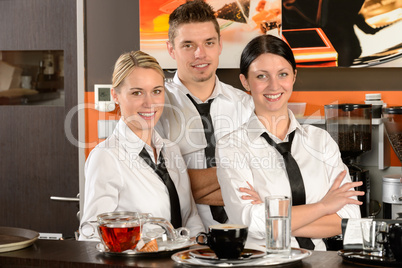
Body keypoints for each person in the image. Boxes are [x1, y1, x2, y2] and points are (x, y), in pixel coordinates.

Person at [215, 35, 363, 250]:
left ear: (293, 76)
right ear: (245, 81)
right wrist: (324, 206)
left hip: (319, 263)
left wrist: (271, 219)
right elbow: (250, 223)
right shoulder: (232, 146)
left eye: (282, 74)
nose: (274, 85)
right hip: (263, 263)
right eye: (261, 76)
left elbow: (348, 220)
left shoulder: (320, 141)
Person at [79, 50, 204, 238]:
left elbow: (190, 217)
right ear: (115, 95)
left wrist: (198, 249)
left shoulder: (171, 150)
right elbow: (91, 236)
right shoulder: (106, 156)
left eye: (156, 91)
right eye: (137, 93)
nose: (149, 103)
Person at [156, 0, 254, 229]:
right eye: (188, 45)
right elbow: (156, 185)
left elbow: (269, 180)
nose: (200, 54)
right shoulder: (155, 108)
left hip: (248, 240)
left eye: (208, 42)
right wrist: (238, 175)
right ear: (171, 49)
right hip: (181, 242)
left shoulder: (247, 106)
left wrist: (184, 183)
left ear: (220, 45)